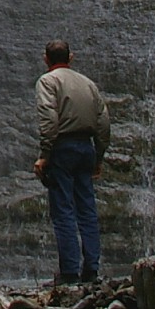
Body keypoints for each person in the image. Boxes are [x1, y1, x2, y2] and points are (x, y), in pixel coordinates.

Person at [33, 39, 109, 285]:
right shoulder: (88, 84)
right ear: (71, 57)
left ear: (46, 59)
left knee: (64, 210)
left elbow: (49, 118)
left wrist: (45, 155)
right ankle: (92, 270)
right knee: (87, 210)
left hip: (62, 148)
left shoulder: (48, 81)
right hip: (86, 147)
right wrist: (99, 156)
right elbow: (103, 122)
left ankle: (69, 272)